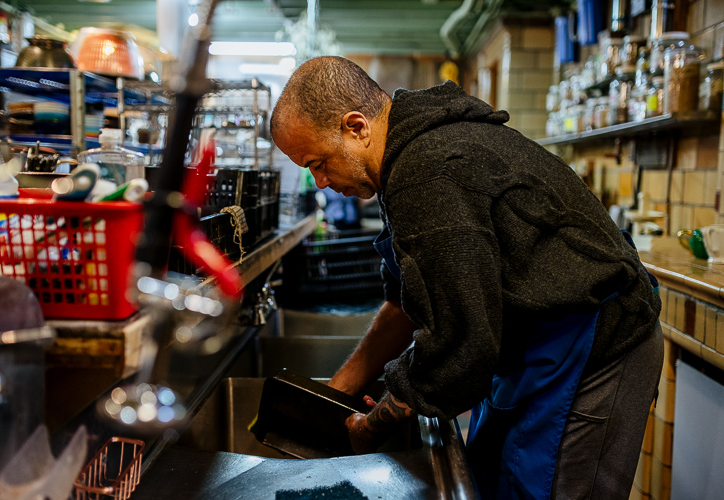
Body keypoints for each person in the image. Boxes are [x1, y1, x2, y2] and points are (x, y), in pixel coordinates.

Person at [270, 56, 663, 499]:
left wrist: (373, 423)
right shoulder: (403, 159)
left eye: (317, 162)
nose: (319, 182)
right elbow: (406, 304)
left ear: (356, 127)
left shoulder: (427, 172)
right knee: (494, 484)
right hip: (532, 347)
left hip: (593, 348)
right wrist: (336, 395)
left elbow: (461, 342)